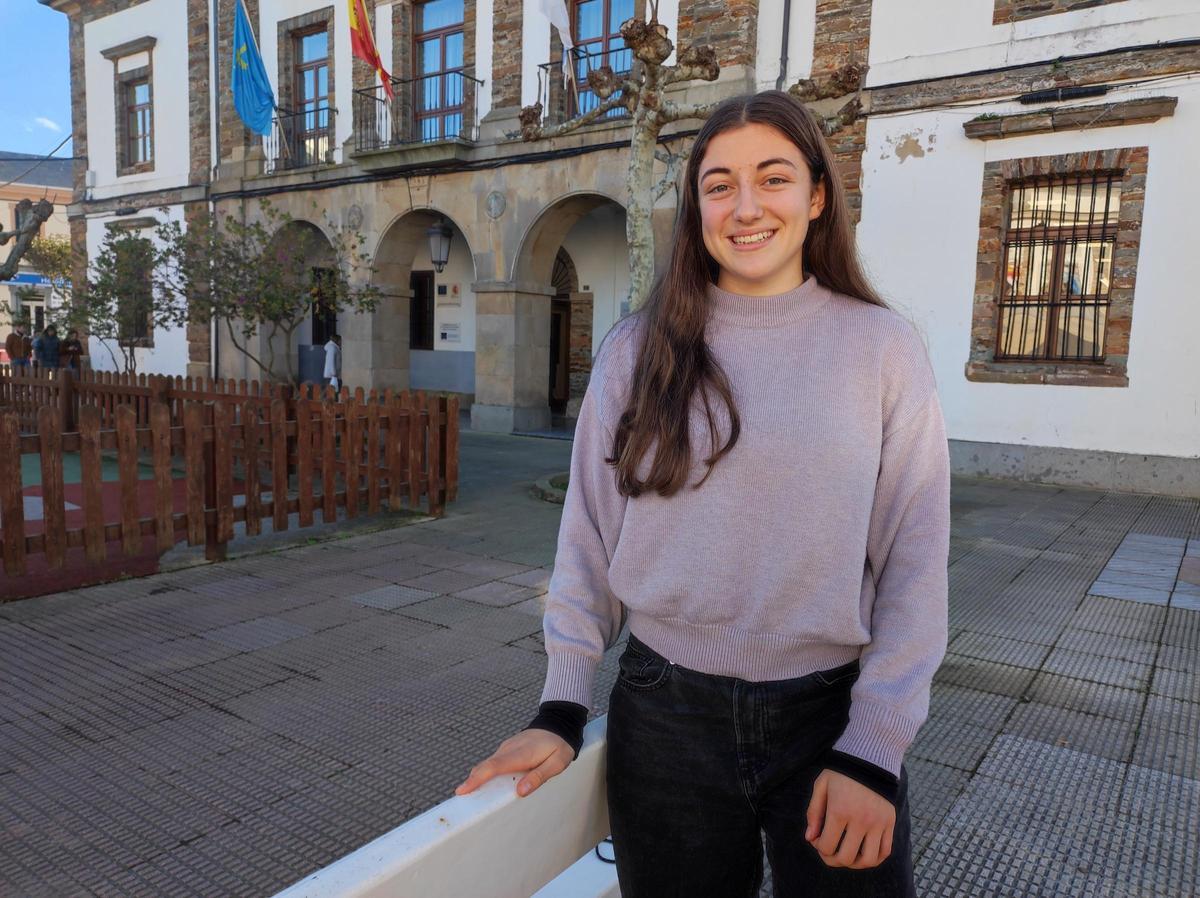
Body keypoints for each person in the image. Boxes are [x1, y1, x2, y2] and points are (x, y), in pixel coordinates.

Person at [456, 90, 950, 897]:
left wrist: (876, 744)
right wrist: (560, 708)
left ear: (818, 194)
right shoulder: (636, 352)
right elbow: (587, 542)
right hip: (666, 714)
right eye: (719, 185)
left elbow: (915, 563)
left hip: (831, 718)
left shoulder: (882, 350)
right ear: (696, 205)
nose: (745, 207)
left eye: (774, 178)